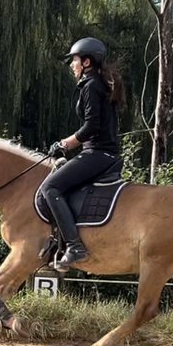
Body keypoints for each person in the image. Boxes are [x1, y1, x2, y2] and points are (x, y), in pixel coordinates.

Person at [39, 36, 124, 272]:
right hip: (102, 153)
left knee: (49, 188)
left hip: (97, 154)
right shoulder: (99, 83)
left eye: (74, 60)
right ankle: (60, 241)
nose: (71, 65)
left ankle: (75, 246)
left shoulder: (91, 85)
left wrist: (65, 143)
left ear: (86, 62)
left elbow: (91, 127)